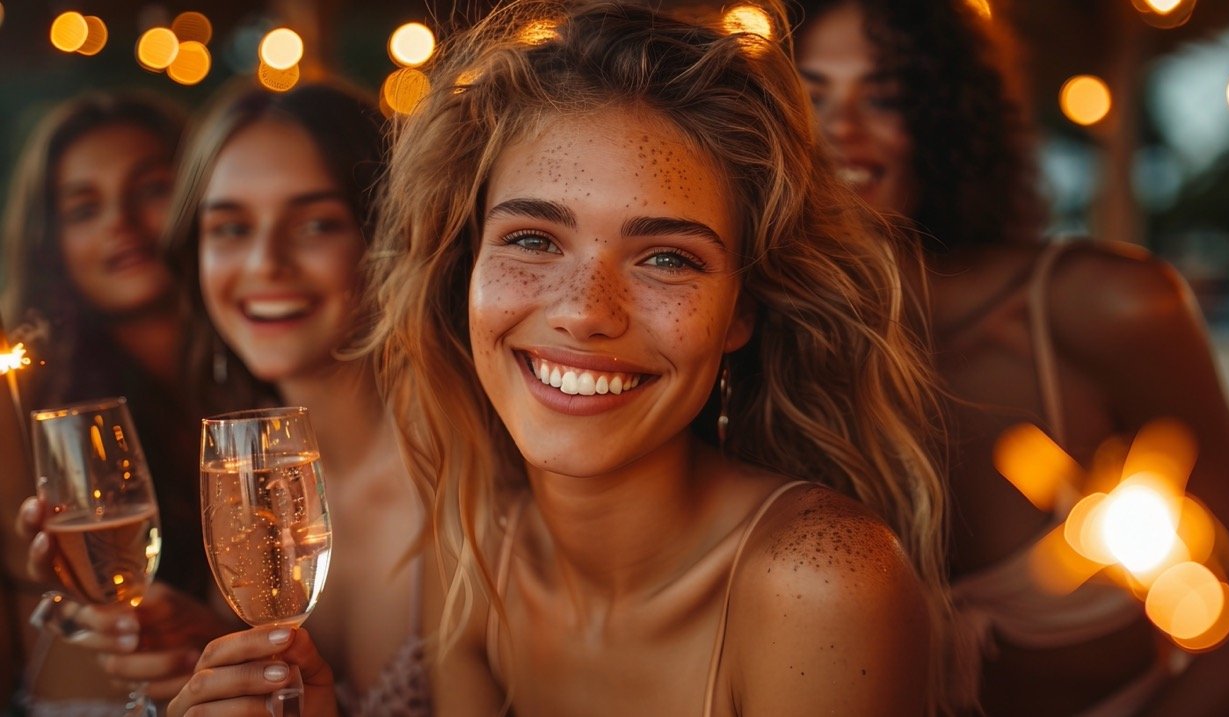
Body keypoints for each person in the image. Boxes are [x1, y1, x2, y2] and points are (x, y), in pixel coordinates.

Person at [167, 1, 955, 715]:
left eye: (668, 258)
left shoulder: (822, 580)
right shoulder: (477, 550)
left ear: (740, 308)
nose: (584, 311)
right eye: (533, 240)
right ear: (464, 268)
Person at [795, 0, 1229, 714]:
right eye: (810, 95)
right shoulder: (770, 342)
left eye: (887, 95)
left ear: (950, 116)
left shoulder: (1103, 305)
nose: (839, 127)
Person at [19, 81, 436, 715]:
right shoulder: (241, 486)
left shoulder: (466, 484)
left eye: (316, 224)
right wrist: (204, 647)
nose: (266, 263)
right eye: (230, 227)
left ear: (387, 237)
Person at [0, 90, 208, 711]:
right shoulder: (22, 410)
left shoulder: (268, 384)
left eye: (150, 188)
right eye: (84, 208)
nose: (120, 221)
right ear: (50, 241)